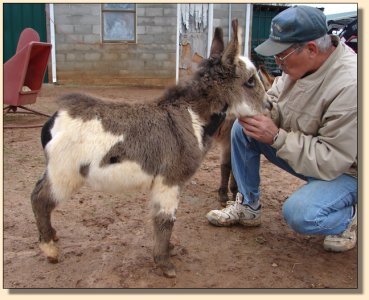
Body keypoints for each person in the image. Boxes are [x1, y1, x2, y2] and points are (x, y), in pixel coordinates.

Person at [206, 5, 358, 252]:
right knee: (243, 129)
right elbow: (273, 104)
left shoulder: (350, 85)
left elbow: (333, 160)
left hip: (348, 172)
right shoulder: (295, 69)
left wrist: (276, 137)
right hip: (311, 155)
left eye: (281, 55)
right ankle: (248, 207)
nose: (277, 61)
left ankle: (348, 216)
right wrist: (250, 110)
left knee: (302, 215)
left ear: (310, 49)